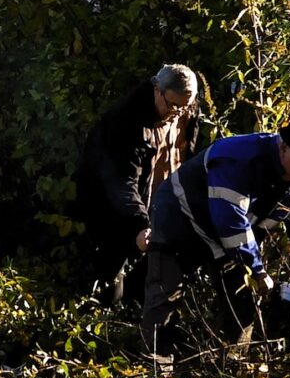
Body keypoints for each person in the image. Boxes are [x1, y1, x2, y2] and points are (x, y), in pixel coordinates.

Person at [141, 118, 290, 378]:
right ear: (283, 148)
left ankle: (228, 373)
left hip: (226, 238)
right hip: (180, 217)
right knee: (164, 294)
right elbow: (230, 223)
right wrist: (257, 270)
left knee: (242, 302)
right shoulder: (238, 159)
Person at [72, 64, 200, 308]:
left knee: (153, 274)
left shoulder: (187, 108)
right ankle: (95, 319)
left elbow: (188, 153)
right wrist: (138, 225)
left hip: (162, 202)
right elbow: (121, 182)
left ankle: (133, 317)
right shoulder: (125, 121)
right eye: (172, 106)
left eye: (185, 107)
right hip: (118, 207)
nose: (178, 112)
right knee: (110, 277)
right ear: (156, 90)